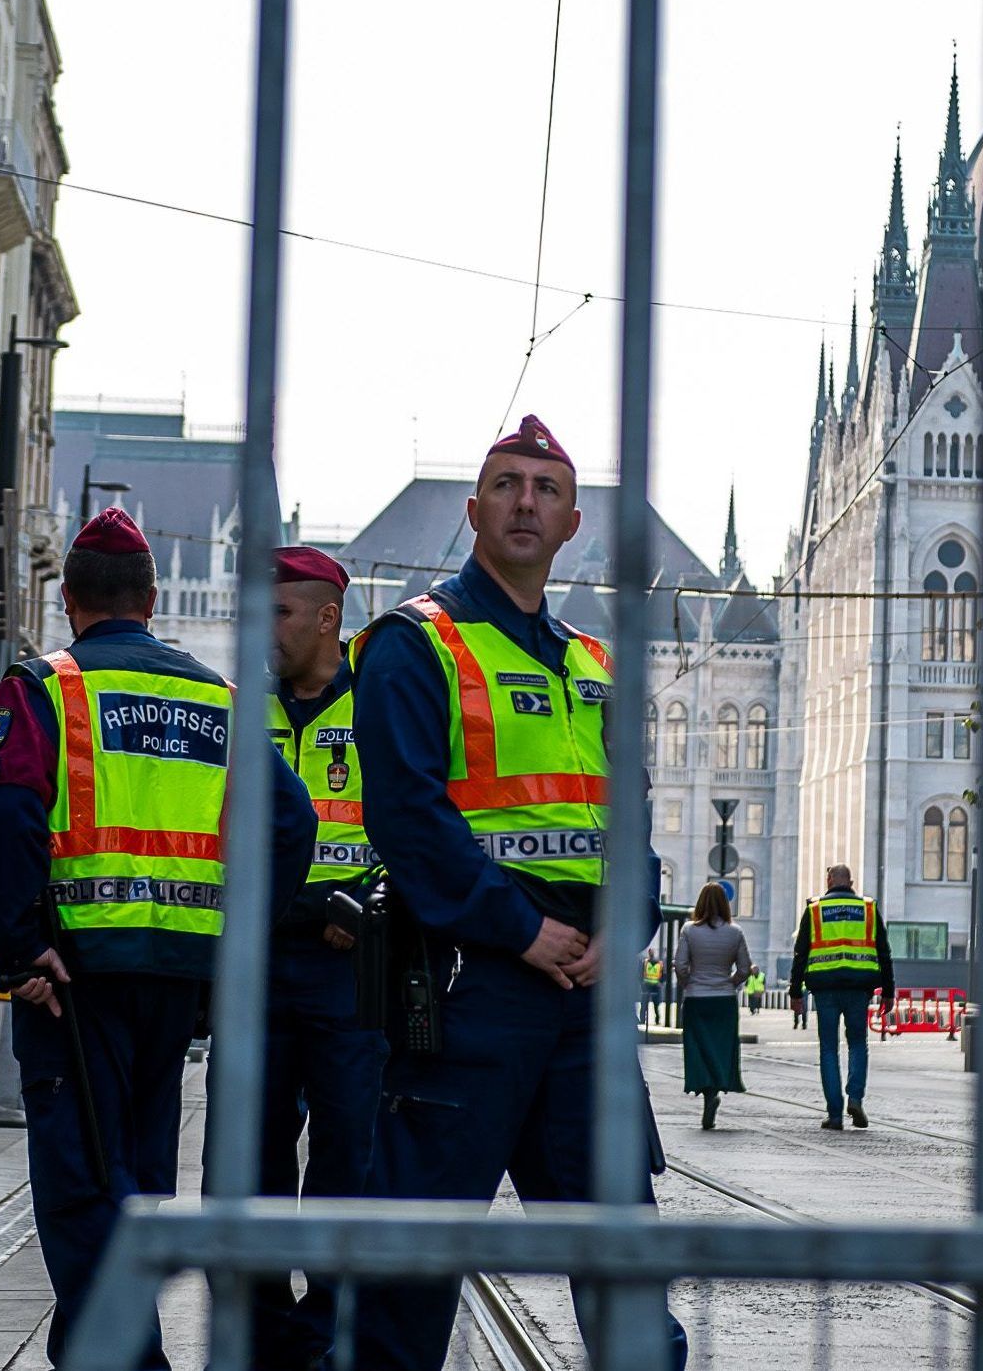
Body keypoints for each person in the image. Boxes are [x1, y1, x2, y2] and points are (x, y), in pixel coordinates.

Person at [336, 415, 688, 1370]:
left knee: (624, 1274)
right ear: (473, 511)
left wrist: (633, 922)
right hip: (466, 991)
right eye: (506, 484)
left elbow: (633, 823)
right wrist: (519, 928)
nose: (525, 500)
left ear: (573, 520)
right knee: (407, 1284)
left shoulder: (594, 665)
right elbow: (406, 818)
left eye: (545, 487)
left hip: (584, 1002)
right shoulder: (417, 644)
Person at [0, 506, 317, 1369]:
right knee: (135, 1183)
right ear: (153, 599)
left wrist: (18, 947)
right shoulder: (218, 697)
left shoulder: (46, 687)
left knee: (84, 1189)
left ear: (67, 597)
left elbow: (7, 812)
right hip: (176, 984)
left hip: (73, 979)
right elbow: (293, 824)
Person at [253, 545, 388, 1369]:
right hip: (260, 965)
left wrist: (372, 903)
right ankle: (267, 1330)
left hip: (350, 964)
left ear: (327, 618)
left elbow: (414, 822)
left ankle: (327, 1325)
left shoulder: (378, 709)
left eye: (279, 613)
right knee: (253, 1148)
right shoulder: (241, 710)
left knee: (350, 1149)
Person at [788, 864, 893, 1132]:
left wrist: (795, 992)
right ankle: (855, 1098)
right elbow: (884, 952)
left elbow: (801, 953)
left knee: (828, 1049)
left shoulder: (815, 909)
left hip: (825, 989)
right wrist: (889, 992)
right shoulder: (868, 908)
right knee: (858, 1044)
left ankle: (835, 1114)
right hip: (859, 988)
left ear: (829, 880)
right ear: (852, 882)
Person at [674, 882, 752, 1129]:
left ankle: (708, 1093)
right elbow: (744, 968)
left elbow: (680, 965)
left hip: (697, 998)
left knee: (698, 1048)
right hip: (724, 999)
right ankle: (716, 1088)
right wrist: (730, 982)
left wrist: (688, 983)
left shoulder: (689, 930)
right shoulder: (735, 932)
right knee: (721, 1046)